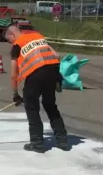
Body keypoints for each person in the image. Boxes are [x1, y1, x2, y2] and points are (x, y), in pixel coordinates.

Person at [5, 24, 69, 153]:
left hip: (36, 75)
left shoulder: (17, 46)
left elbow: (13, 75)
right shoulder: (38, 36)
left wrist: (15, 94)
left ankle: (37, 142)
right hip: (52, 72)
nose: (10, 43)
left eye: (9, 40)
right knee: (50, 105)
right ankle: (62, 140)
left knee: (32, 107)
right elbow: (56, 55)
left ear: (12, 34)